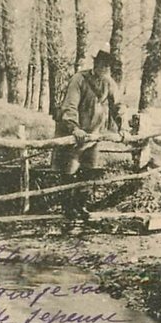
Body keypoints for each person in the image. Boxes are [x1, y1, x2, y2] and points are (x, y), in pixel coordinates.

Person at [53, 49, 125, 219]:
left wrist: (123, 127)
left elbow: (118, 106)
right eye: (102, 65)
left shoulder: (109, 83)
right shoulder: (79, 79)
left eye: (108, 66)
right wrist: (74, 128)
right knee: (70, 169)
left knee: (89, 169)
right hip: (74, 134)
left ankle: (81, 207)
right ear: (95, 64)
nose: (104, 69)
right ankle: (68, 210)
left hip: (93, 135)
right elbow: (70, 106)